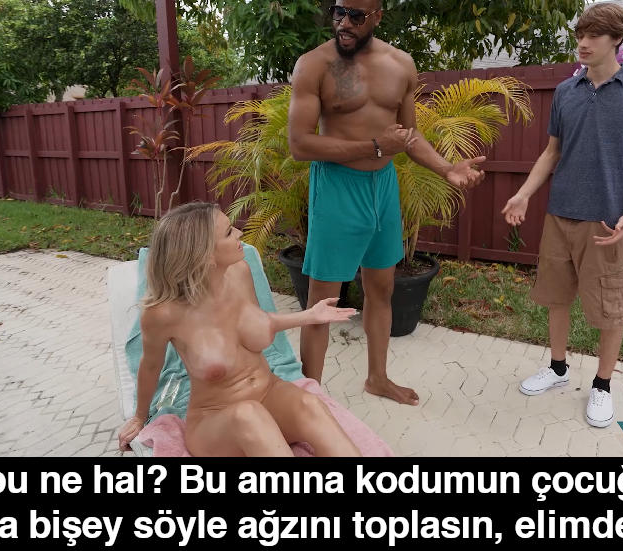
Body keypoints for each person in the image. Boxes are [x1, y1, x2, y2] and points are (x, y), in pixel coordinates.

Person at [288, 0, 486, 405]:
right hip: (337, 186)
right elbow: (300, 144)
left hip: (383, 187)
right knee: (322, 302)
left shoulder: (401, 65)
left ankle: (377, 378)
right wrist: (376, 145)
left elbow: (408, 136)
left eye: (356, 16)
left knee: (381, 288)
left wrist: (447, 169)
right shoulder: (313, 65)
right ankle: (309, 399)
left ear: (377, 16)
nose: (344, 23)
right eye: (338, 12)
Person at [501, 2, 623, 428]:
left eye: (593, 35)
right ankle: (558, 368)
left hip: (607, 221)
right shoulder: (566, 91)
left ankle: (602, 385)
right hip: (560, 214)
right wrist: (523, 194)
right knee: (556, 298)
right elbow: (551, 152)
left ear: (617, 39)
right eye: (580, 34)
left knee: (610, 307)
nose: (583, 42)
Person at [117, 202, 362, 456]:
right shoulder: (163, 313)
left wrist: (310, 315)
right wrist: (139, 417)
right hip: (215, 419)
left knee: (309, 404)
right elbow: (150, 366)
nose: (239, 233)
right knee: (249, 415)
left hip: (269, 393)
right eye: (228, 232)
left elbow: (256, 323)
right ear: (203, 253)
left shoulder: (240, 272)